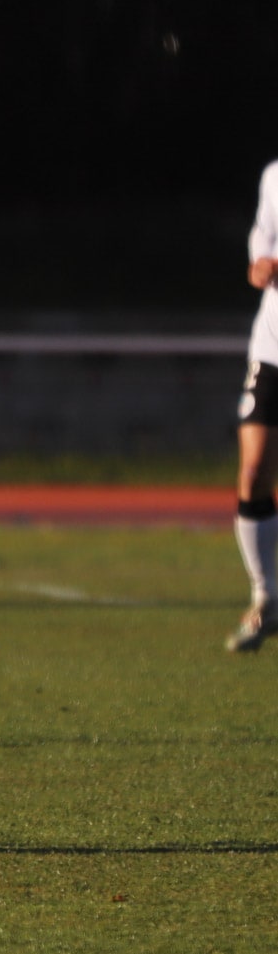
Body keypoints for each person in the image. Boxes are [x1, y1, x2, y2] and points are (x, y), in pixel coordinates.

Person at [228, 159, 278, 653]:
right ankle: (266, 596)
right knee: (254, 471)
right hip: (272, 349)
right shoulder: (274, 174)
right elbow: (262, 235)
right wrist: (259, 263)